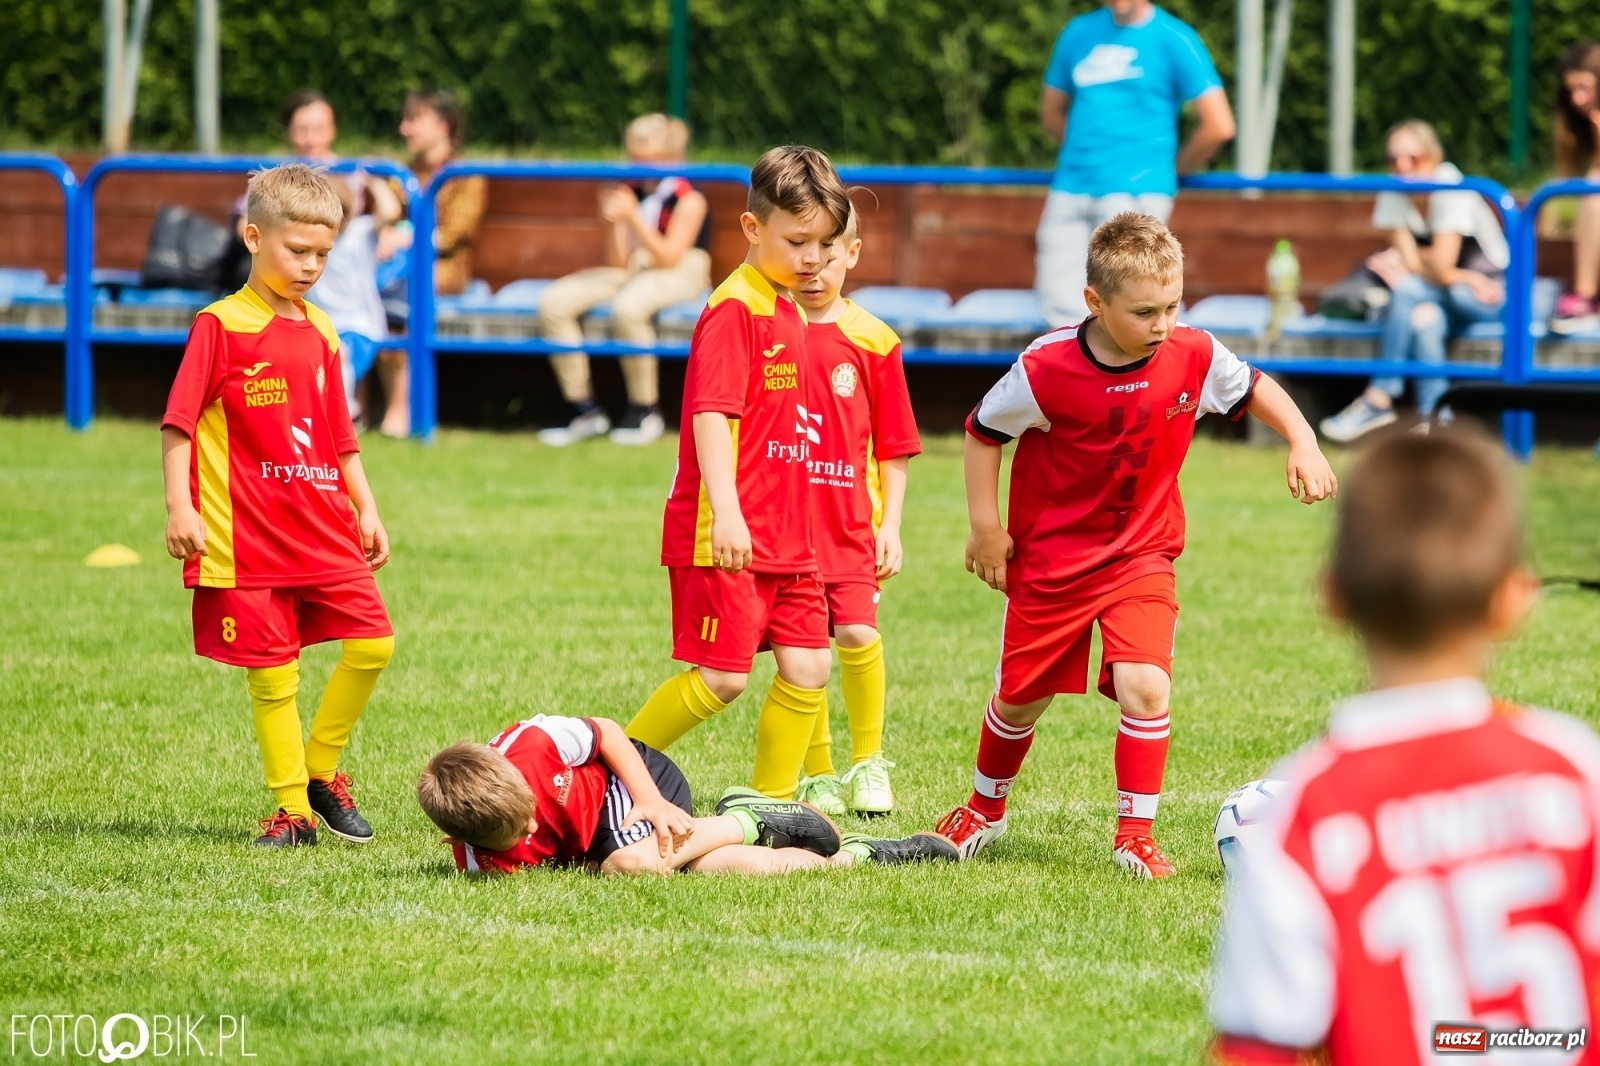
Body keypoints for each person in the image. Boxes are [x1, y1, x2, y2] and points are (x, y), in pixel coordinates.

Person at [932, 213, 1337, 877]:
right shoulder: (1046, 368)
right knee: (1021, 697)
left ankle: (1134, 835)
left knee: (1145, 685)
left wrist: (1304, 441)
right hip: (1053, 560)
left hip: (1141, 556)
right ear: (1094, 303)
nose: (1163, 325)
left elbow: (1256, 386)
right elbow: (983, 432)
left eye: (1174, 307)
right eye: (1145, 311)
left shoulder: (1195, 355)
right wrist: (986, 528)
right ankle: (983, 809)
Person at [1209, 427, 1600, 1064]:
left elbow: (1259, 1049)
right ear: (1513, 602)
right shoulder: (1575, 770)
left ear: (1332, 597)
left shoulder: (1305, 815)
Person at [160, 164, 394, 848]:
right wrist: (181, 506)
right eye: (298, 252)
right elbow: (179, 423)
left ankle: (321, 768)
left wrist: (368, 508)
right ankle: (292, 812)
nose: (312, 267)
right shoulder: (220, 326)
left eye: (323, 254)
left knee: (375, 643)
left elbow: (341, 438)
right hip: (247, 537)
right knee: (274, 673)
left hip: (324, 528)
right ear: (254, 237)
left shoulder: (323, 331)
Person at [621, 146, 852, 802]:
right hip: (730, 528)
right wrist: (726, 511)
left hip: (789, 532)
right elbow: (710, 417)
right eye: (798, 241)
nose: (813, 258)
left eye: (826, 244)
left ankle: (771, 807)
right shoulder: (734, 308)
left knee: (810, 665)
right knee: (722, 679)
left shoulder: (788, 307)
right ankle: (613, 769)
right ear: (754, 230)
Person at [417, 713, 958, 875]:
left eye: (529, 814)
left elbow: (606, 733)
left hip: (632, 785)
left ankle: (748, 819)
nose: (533, 830)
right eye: (518, 834)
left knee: (629, 866)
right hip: (605, 837)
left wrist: (649, 802)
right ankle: (866, 855)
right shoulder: (477, 860)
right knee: (715, 869)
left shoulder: (531, 746)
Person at [787, 206, 921, 819]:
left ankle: (868, 763)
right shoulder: (767, 329)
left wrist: (889, 525)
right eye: (803, 253)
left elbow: (895, 444)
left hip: (850, 527)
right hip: (783, 528)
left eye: (830, 253)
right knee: (805, 648)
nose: (813, 270)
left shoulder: (875, 340)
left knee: (858, 633)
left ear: (853, 254)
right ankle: (815, 774)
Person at [1035, 0, 1235, 328]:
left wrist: (1171, 171)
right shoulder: (1078, 33)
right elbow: (1051, 111)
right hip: (1070, 188)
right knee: (1058, 318)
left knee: (1137, 316)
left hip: (1136, 194)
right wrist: (1084, 155)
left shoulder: (1174, 37)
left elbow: (1218, 124)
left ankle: (1142, 382)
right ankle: (1074, 381)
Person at [1320, 120, 1509, 443]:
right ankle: (1436, 420)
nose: (1402, 167)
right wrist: (1459, 275)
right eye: (1393, 159)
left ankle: (1379, 397)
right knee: (1425, 319)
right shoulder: (1394, 191)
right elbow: (1431, 266)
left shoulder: (1452, 186)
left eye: (1413, 158)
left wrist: (1439, 271)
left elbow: (1429, 264)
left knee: (1409, 290)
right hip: (1442, 297)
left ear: (1433, 158)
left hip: (1488, 298)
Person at [537, 114, 713, 448]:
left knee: (628, 308)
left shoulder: (690, 197)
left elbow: (668, 258)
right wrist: (617, 224)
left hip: (682, 268)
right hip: (634, 268)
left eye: (647, 161)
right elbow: (617, 262)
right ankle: (582, 407)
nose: (638, 168)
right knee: (554, 303)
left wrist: (632, 218)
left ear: (671, 159)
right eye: (634, 158)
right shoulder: (629, 192)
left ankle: (644, 409)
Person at [375, 89, 488, 438]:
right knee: (374, 298)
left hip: (445, 269)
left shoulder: (467, 174)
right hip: (402, 269)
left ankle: (400, 409)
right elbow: (389, 218)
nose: (404, 128)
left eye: (414, 120)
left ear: (443, 125)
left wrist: (408, 238)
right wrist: (386, 232)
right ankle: (368, 407)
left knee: (402, 301)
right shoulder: (405, 172)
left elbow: (452, 235)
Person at [307, 173, 402, 424]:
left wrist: (374, 179)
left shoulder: (361, 234)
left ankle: (346, 414)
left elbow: (391, 211)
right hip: (318, 327)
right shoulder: (309, 238)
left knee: (340, 354)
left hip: (359, 328)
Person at [1551, 42, 1600, 335]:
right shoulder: (1580, 127)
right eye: (1571, 90)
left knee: (1594, 199)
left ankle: (1584, 296)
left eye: (1584, 87)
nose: (1577, 98)